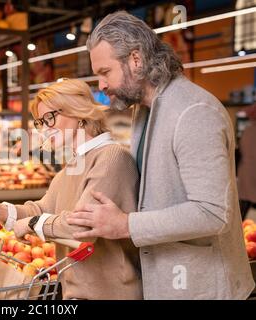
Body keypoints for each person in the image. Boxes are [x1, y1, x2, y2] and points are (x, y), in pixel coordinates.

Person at [66, 11, 254, 300]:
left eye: (105, 72)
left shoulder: (193, 112)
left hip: (203, 288)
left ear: (136, 60)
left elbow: (212, 213)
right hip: (169, 280)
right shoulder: (145, 110)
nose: (101, 85)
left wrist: (125, 224)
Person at [0, 79, 142, 300]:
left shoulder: (111, 157)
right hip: (77, 292)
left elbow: (82, 227)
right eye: (40, 122)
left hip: (111, 293)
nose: (44, 129)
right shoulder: (73, 164)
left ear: (78, 111)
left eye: (50, 118)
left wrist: (34, 224)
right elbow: (44, 208)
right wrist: (1, 211)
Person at [237, 105, 256, 219]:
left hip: (246, 171)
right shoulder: (250, 131)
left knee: (244, 203)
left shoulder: (247, 131)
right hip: (251, 170)